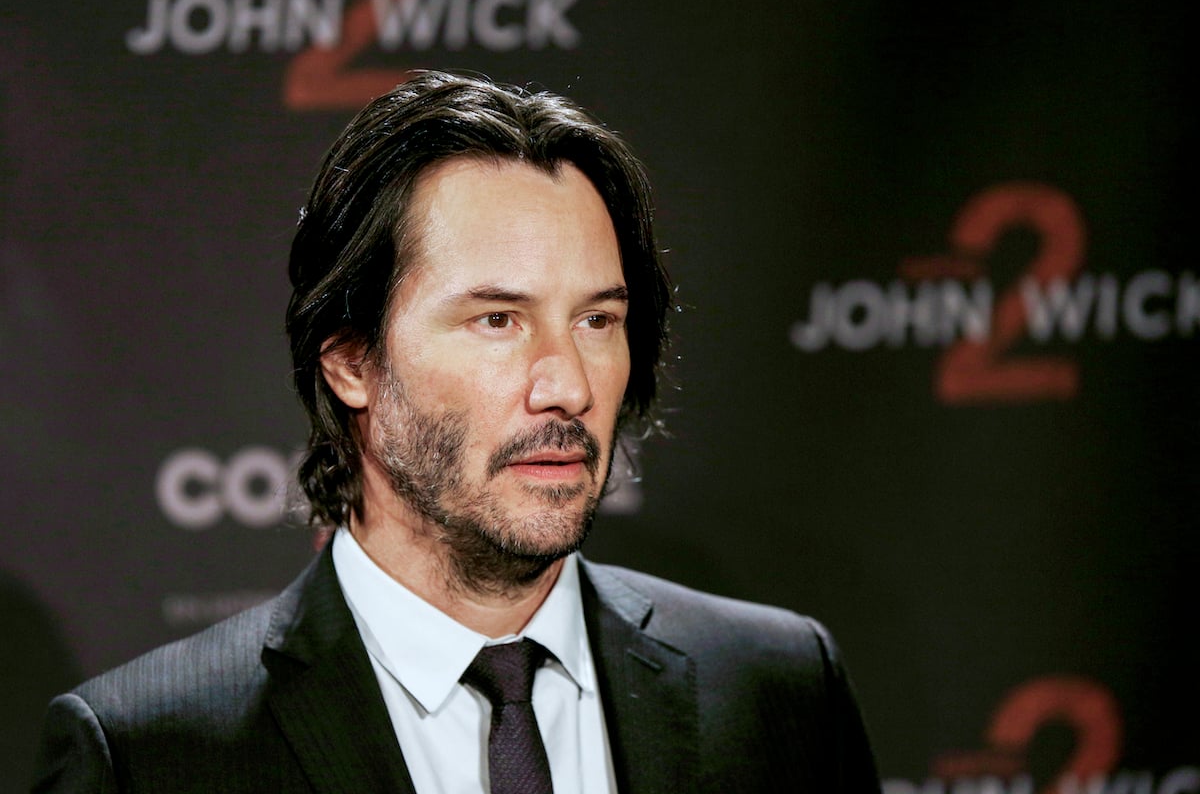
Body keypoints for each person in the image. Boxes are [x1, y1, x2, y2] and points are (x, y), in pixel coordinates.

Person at [32, 71, 881, 793]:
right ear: (351, 361)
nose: (568, 386)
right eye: (497, 320)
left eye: (596, 320)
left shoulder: (778, 689)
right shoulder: (152, 756)